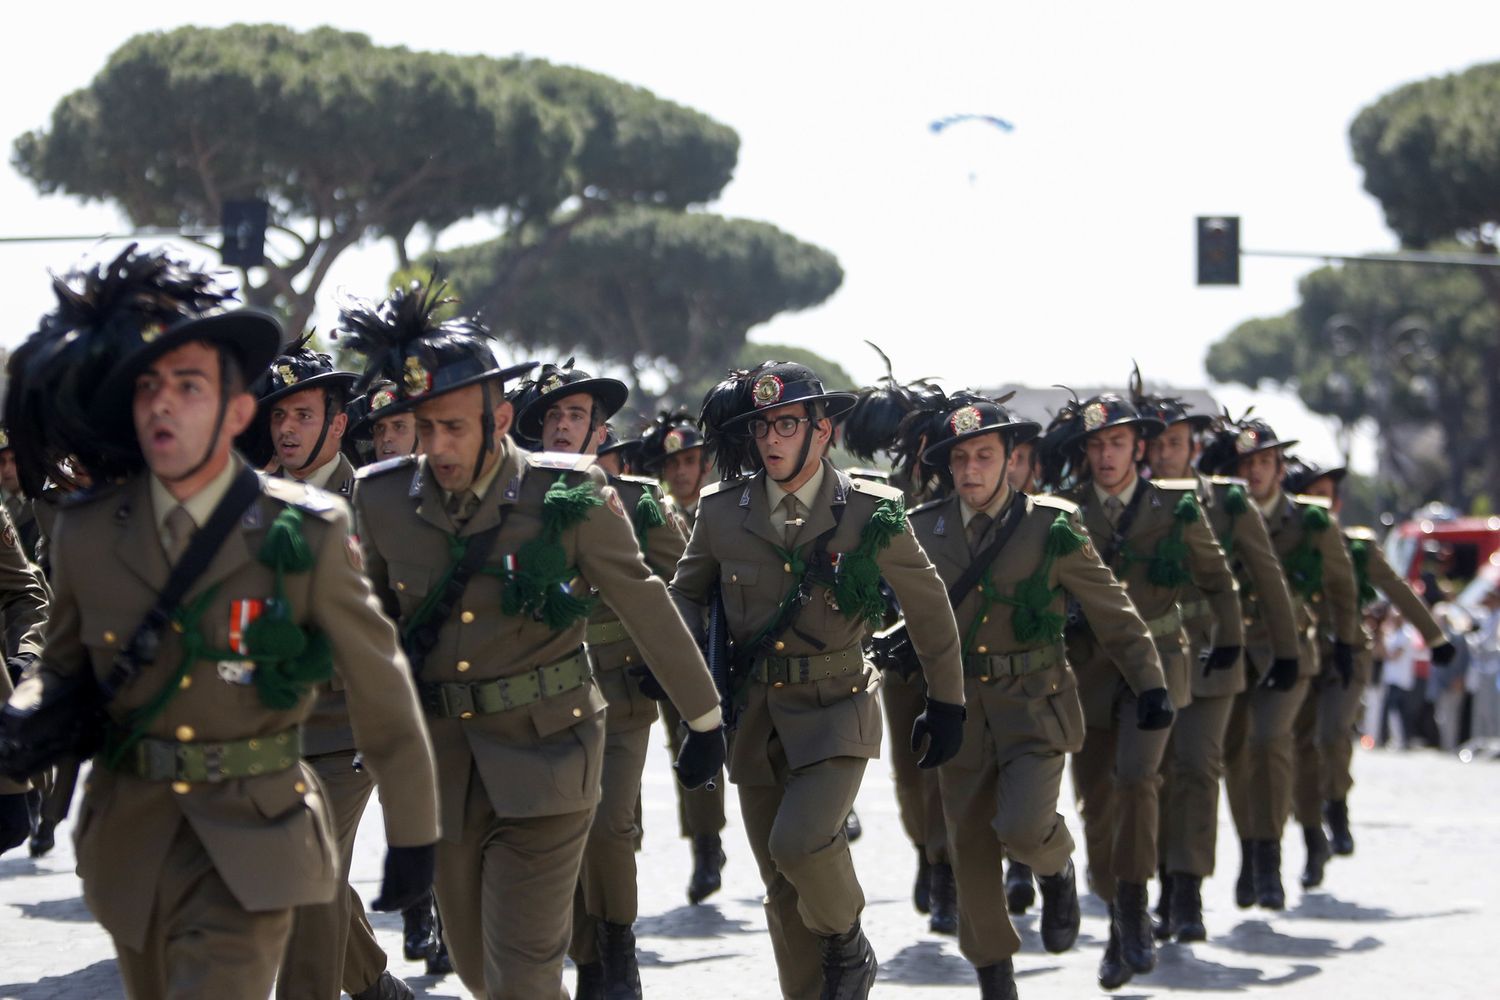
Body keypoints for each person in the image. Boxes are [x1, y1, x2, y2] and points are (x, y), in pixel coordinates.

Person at [0, 245, 439, 1000]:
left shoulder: (312, 529)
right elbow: (64, 662)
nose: (165, 404)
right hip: (130, 838)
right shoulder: (87, 532)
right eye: (148, 389)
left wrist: (415, 832)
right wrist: (23, 717)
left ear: (238, 412)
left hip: (254, 829)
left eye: (189, 386)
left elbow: (383, 690)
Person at [342, 283, 725, 999]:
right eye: (424, 429)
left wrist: (702, 717)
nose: (439, 447)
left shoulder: (567, 494)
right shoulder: (384, 498)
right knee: (483, 973)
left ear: (502, 418)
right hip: (445, 767)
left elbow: (643, 600)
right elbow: (376, 630)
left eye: (455, 427)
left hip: (550, 755)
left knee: (522, 976)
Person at [670, 361, 967, 1000]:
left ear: (822, 431)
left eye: (785, 424)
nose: (770, 440)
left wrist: (947, 702)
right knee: (780, 887)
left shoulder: (868, 509)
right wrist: (677, 671)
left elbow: (928, 604)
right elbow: (683, 598)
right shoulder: (724, 511)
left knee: (801, 845)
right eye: (761, 428)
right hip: (752, 718)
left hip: (837, 709)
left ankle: (847, 941)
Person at [908, 390, 1147, 998]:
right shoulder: (922, 529)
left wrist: (1151, 682)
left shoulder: (1052, 524)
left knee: (1021, 827)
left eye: (983, 456)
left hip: (1035, 703)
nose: (970, 471)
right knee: (969, 846)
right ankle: (995, 976)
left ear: (1011, 457)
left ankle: (1056, 866)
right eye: (959, 460)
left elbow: (1112, 610)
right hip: (958, 709)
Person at [516, 362, 711, 999]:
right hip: (537, 697)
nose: (564, 426)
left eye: (577, 416)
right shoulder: (510, 506)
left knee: (608, 826)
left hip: (621, 693)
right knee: (554, 833)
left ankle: (618, 946)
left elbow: (678, 590)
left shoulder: (636, 501)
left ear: (600, 432)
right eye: (554, 416)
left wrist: (666, 662)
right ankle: (587, 955)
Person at [1059, 393, 1241, 990]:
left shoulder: (1176, 507)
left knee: (1138, 780)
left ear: (1139, 448)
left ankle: (1131, 917)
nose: (1105, 455)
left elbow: (1219, 580)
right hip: (1088, 671)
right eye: (1095, 445)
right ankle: (1118, 906)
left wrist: (1230, 642)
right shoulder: (1064, 512)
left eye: (1116, 443)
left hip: (1158, 670)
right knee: (1097, 804)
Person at [1136, 390, 1300, 942]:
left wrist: (1287, 652)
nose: (1165, 454)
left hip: (1212, 654)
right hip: (1147, 660)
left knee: (1198, 768)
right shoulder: (1128, 502)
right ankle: (1154, 881)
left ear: (1194, 446)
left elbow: (1270, 578)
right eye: (1156, 444)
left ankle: (1187, 893)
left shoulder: (1227, 502)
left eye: (1176, 444)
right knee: (1147, 777)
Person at [1198, 419, 1360, 912]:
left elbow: (1340, 586)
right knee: (1234, 757)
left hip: (1287, 652)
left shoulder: (1311, 520)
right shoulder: (1216, 514)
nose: (1254, 473)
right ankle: (1251, 852)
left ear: (1279, 468)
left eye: (1263, 463)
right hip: (1232, 651)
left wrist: (1348, 642)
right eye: (1245, 464)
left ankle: (1270, 856)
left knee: (1270, 741)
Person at [1285, 459, 1454, 871]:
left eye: (1327, 495)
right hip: (1299, 653)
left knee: (1331, 733)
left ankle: (1337, 807)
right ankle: (1311, 838)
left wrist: (1435, 637)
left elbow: (1397, 588)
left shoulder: (1355, 544)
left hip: (1348, 653)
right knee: (1298, 749)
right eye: (1311, 496)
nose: (1321, 505)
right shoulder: (1281, 544)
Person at [638, 409, 733, 904]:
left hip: (735, 647)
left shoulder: (726, 509)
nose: (680, 471)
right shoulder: (647, 515)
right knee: (688, 745)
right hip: (682, 653)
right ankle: (706, 845)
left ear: (706, 466)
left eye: (690, 461)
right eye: (672, 462)